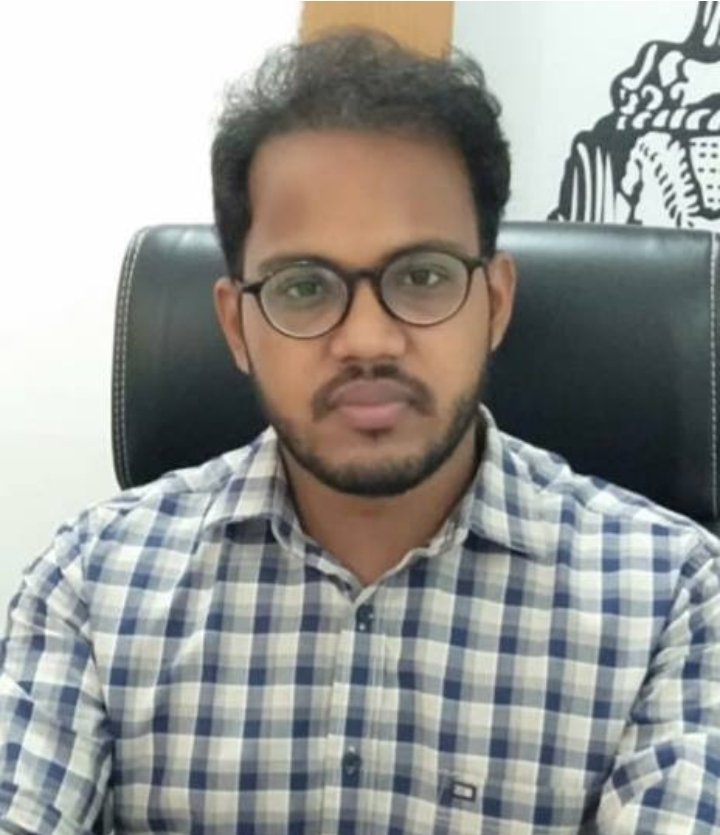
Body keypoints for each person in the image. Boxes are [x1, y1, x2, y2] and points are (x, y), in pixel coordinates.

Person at [1, 30, 718, 835]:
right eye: (304, 286)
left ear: (496, 303)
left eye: (423, 276)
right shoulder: (92, 583)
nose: (368, 340)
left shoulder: (675, 598)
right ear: (236, 326)